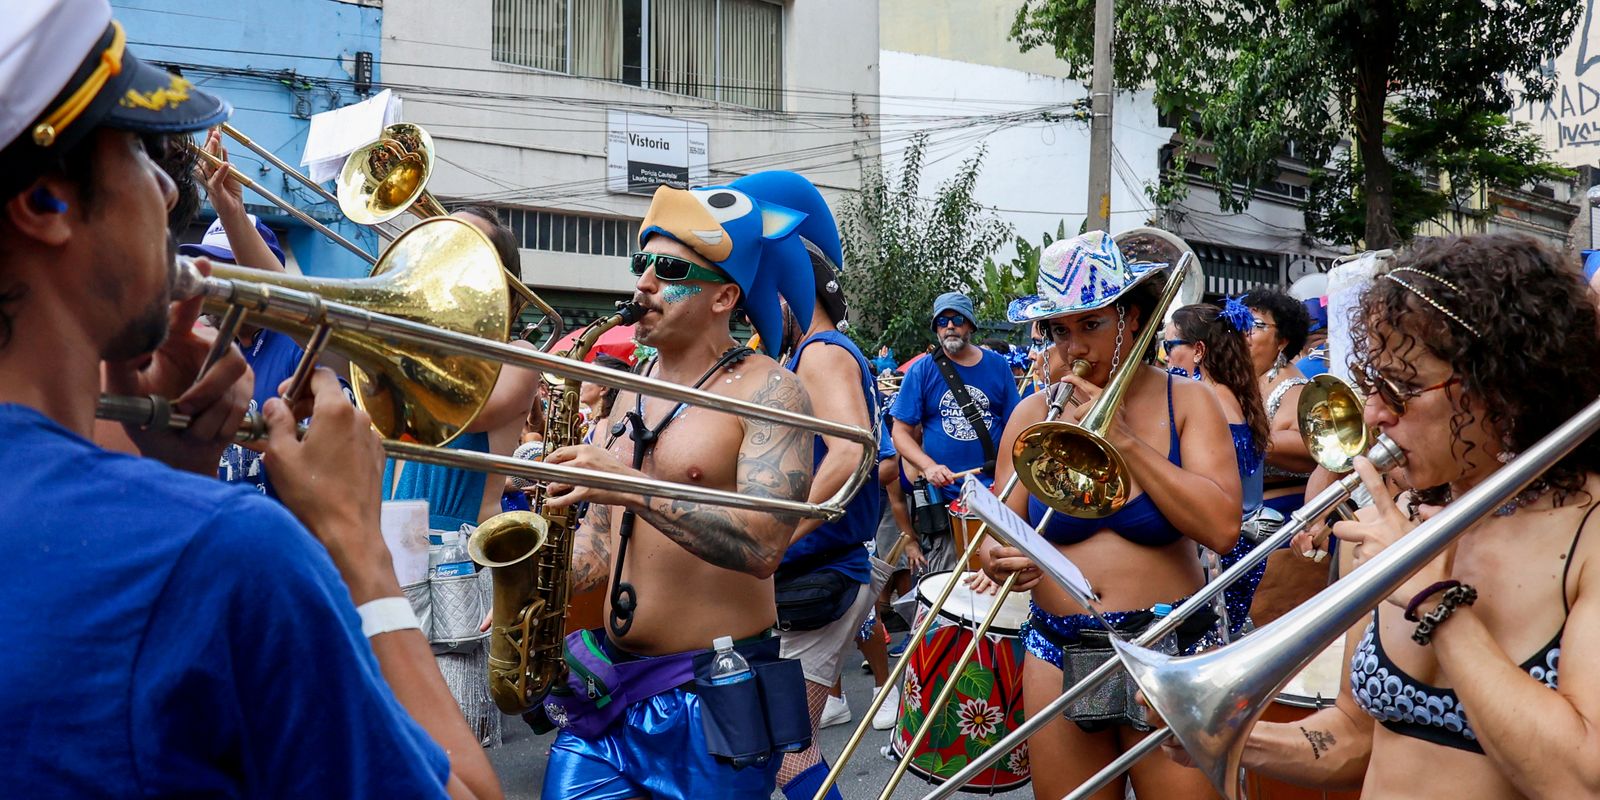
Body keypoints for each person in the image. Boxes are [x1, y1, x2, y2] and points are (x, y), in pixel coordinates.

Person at [0, 2, 499, 796]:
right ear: (43, 203)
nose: (168, 191)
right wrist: (358, 551)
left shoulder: (191, 547)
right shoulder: (229, 556)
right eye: (136, 148)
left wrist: (186, 475)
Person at [1168, 234, 1600, 799]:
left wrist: (1434, 600)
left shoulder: (1588, 532)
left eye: (1401, 389)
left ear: (1501, 387)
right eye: (1374, 384)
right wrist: (1226, 735)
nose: (1373, 412)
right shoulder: (1385, 522)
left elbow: (1577, 781)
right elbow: (1355, 737)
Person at [536, 178, 818, 800]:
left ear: (724, 296)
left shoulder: (771, 393)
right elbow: (604, 544)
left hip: (713, 697)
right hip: (610, 693)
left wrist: (629, 486)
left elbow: (762, 546)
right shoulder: (627, 388)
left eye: (668, 269)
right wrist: (533, 580)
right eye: (642, 265)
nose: (643, 283)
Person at [981, 231, 1242, 800]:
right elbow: (994, 534)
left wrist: (1126, 442)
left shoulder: (1188, 402)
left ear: (1134, 317)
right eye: (1059, 329)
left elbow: (1222, 529)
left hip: (1169, 649)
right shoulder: (1032, 412)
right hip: (1057, 648)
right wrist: (1000, 557)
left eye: (1090, 325)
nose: (1073, 346)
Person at [729, 170, 880, 798]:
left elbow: (850, 450)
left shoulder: (820, 350)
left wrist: (778, 537)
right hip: (814, 576)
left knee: (789, 757)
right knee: (782, 753)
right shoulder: (808, 351)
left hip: (819, 576)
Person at [382, 205, 542, 531]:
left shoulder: (517, 357)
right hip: (388, 543)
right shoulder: (416, 349)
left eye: (466, 246)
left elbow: (459, 414)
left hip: (455, 562)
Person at [1163, 300, 1272, 637]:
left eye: (1170, 346)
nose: (1165, 356)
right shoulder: (1236, 394)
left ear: (1198, 350)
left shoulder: (1205, 399)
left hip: (1217, 555)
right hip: (1242, 550)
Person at [890, 292, 1019, 573]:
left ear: (970, 325)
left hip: (995, 499)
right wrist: (928, 466)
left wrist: (1007, 480)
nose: (949, 326)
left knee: (996, 581)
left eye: (957, 319)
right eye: (942, 321)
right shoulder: (922, 371)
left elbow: (1015, 426)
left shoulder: (998, 366)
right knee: (947, 587)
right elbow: (900, 433)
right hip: (946, 501)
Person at [1239, 286, 1328, 626]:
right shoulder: (1244, 381)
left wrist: (1237, 436)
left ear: (1282, 341)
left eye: (1257, 325)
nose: (1244, 332)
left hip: (1281, 520)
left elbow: (1312, 446)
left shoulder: (1293, 387)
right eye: (1240, 323)